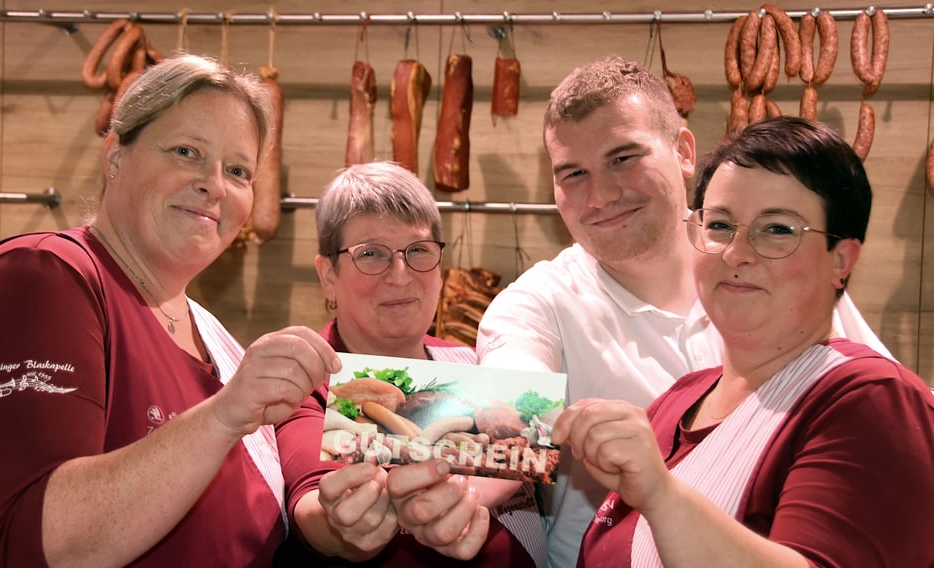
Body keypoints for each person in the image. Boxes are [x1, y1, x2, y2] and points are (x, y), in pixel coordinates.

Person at [0, 54, 341, 567]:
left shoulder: (214, 339)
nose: (215, 184)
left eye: (238, 170)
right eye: (187, 151)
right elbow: (36, 543)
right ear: (115, 155)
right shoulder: (39, 278)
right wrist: (225, 415)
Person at [474, 56, 893, 568]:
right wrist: (453, 495)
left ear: (684, 150)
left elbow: (884, 414)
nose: (601, 195)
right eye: (574, 173)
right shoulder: (537, 302)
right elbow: (509, 408)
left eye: (624, 158)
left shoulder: (781, 278)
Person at [552, 115, 934, 566]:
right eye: (719, 226)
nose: (737, 254)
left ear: (842, 259)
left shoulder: (872, 401)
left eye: (777, 230)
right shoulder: (679, 400)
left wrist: (662, 495)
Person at [273, 161, 547, 566]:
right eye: (371, 255)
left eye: (417, 250)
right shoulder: (304, 385)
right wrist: (337, 522)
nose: (400, 276)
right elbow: (313, 499)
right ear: (328, 275)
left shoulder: (479, 367)